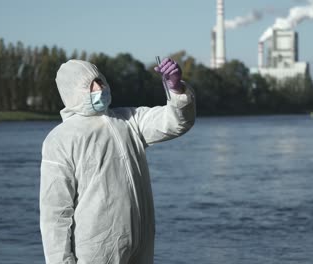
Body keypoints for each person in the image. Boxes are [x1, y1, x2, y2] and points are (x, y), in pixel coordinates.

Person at [40, 58, 196, 264]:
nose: (100, 87)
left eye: (100, 81)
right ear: (72, 92)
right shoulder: (61, 138)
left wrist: (176, 90)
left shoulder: (129, 120)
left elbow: (176, 122)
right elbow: (55, 213)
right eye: (90, 85)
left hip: (141, 248)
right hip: (96, 252)